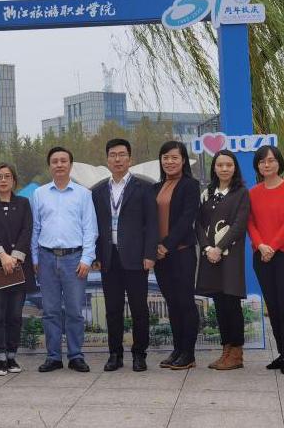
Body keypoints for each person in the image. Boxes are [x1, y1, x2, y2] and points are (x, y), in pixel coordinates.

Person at [91, 138, 158, 373]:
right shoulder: (98, 191)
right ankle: (115, 354)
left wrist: (150, 254)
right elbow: (95, 226)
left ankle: (139, 354)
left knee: (139, 309)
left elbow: (152, 224)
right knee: (112, 309)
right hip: (109, 258)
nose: (117, 159)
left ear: (130, 159)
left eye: (122, 155)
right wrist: (96, 256)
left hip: (136, 258)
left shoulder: (145, 187)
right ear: (107, 160)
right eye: (113, 155)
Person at [31, 146, 98, 374]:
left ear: (70, 165)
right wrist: (34, 257)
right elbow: (35, 228)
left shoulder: (83, 194)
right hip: (46, 258)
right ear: (49, 165)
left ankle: (76, 355)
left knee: (74, 311)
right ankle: (53, 357)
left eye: (63, 161)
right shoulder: (39, 194)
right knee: (50, 311)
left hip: (74, 259)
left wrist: (87, 258)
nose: (59, 164)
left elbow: (90, 229)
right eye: (55, 161)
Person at [0, 163, 37, 376]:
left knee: (15, 316)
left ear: (14, 180)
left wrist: (14, 257)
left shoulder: (23, 203)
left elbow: (27, 230)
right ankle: (0, 358)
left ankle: (12, 356)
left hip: (18, 268)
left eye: (7, 176)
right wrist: (3, 257)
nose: (3, 180)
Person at [247, 145, 284, 375]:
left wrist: (273, 246)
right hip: (262, 255)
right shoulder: (253, 193)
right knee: (273, 306)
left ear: (279, 162)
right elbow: (250, 223)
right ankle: (282, 352)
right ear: (257, 166)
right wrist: (261, 245)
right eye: (262, 161)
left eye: (271, 160)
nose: (266, 164)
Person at [195, 150, 251, 371]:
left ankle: (236, 353)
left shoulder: (241, 193)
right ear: (214, 168)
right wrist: (208, 248)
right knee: (219, 304)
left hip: (230, 257)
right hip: (210, 257)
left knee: (231, 304)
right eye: (220, 165)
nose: (224, 169)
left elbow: (239, 225)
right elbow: (199, 224)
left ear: (235, 168)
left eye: (229, 165)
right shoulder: (207, 193)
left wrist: (219, 248)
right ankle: (225, 350)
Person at [153, 140, 201, 370]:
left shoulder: (190, 185)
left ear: (183, 161)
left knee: (185, 302)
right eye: (165, 157)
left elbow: (186, 219)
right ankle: (177, 349)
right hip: (160, 257)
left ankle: (188, 353)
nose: (169, 162)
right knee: (172, 303)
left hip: (181, 253)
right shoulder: (155, 187)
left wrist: (166, 245)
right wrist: (154, 247)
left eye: (174, 157)